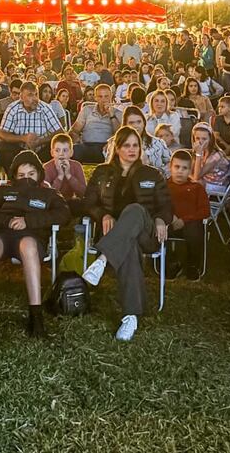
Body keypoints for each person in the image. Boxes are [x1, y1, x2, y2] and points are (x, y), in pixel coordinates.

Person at [81, 126, 173, 341]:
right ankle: (131, 317)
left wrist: (161, 219)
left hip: (146, 233)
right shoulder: (102, 172)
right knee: (128, 246)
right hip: (114, 234)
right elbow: (88, 203)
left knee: (135, 209)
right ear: (117, 148)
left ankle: (102, 260)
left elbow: (167, 205)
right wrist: (103, 215)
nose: (132, 150)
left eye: (135, 145)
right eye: (127, 145)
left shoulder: (151, 173)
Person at [0, 150, 70, 337]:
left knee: (27, 245)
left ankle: (36, 315)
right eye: (21, 175)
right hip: (4, 234)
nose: (26, 179)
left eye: (31, 174)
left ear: (39, 174)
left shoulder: (49, 193)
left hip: (32, 236)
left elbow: (63, 214)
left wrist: (28, 221)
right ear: (14, 176)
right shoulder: (2, 191)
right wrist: (6, 220)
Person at [0, 81, 61, 171]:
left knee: (58, 144)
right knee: (2, 147)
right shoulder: (13, 108)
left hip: (42, 150)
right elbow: (2, 133)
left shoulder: (45, 108)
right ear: (22, 97)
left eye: (36, 94)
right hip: (19, 150)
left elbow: (60, 132)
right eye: (30, 95)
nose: (35, 98)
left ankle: (45, 175)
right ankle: (13, 175)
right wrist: (23, 138)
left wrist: (40, 141)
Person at [166, 150, 209, 280]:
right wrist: (170, 216)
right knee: (159, 226)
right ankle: (171, 263)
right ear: (170, 167)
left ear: (190, 170)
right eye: (177, 167)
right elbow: (157, 205)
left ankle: (192, 265)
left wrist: (184, 220)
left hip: (189, 225)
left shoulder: (197, 188)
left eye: (184, 168)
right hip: (169, 223)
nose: (180, 171)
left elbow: (205, 211)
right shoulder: (163, 186)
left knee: (195, 229)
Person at [104, 106, 172, 179]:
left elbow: (171, 163)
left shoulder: (158, 143)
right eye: (131, 123)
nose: (136, 126)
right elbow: (109, 167)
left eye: (139, 122)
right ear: (125, 124)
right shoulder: (114, 142)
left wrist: (159, 173)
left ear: (144, 123)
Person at [69, 83, 122, 163]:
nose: (103, 100)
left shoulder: (118, 113)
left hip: (107, 147)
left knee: (115, 152)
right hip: (87, 145)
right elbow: (74, 130)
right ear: (95, 98)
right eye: (100, 96)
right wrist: (78, 140)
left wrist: (112, 115)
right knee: (74, 150)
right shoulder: (87, 110)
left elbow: (120, 133)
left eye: (106, 96)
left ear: (111, 96)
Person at [43, 133, 87, 206]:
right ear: (52, 153)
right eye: (57, 150)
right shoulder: (46, 167)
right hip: (53, 204)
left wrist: (68, 175)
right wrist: (60, 176)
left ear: (71, 153)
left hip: (71, 202)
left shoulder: (76, 165)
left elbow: (83, 193)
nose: (61, 154)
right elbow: (47, 196)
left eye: (65, 150)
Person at [189, 122, 230, 192]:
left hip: (218, 185)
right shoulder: (200, 151)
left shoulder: (216, 156)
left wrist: (198, 154)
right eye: (197, 138)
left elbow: (196, 176)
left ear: (210, 139)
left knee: (195, 183)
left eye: (204, 139)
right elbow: (190, 172)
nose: (200, 142)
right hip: (204, 180)